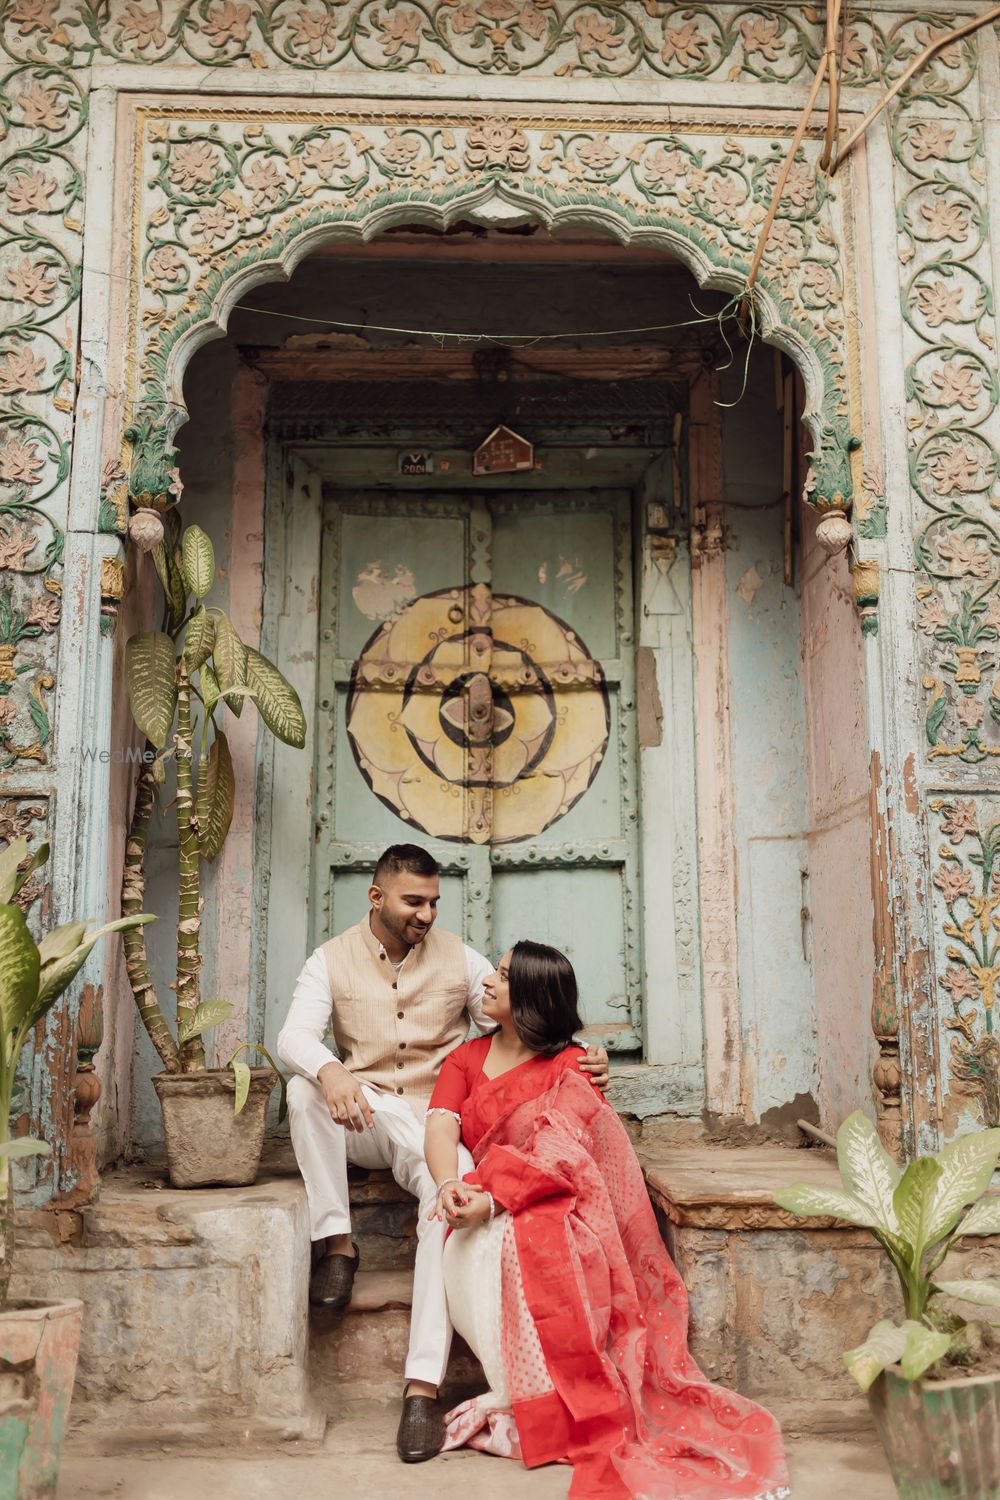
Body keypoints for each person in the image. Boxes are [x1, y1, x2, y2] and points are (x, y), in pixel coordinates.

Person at [276, 845, 610, 1464]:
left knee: (442, 1203)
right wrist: (332, 1071)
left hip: (436, 1119)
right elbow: (292, 1034)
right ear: (377, 898)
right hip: (366, 1113)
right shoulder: (329, 960)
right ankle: (338, 1245)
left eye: (433, 902)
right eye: (414, 901)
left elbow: (529, 1007)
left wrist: (585, 1051)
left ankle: (420, 1388)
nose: (427, 914)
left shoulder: (460, 958)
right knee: (302, 1089)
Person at [424, 941, 790, 1500]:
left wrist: (498, 1199)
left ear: (529, 995)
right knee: (473, 1249)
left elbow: (565, 1149)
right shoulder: (466, 1059)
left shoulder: (570, 1065)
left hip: (557, 1199)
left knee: (536, 1247)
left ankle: (548, 1410)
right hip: (481, 1194)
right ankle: (522, 1399)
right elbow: (441, 1127)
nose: (488, 984)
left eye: (501, 976)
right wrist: (451, 1183)